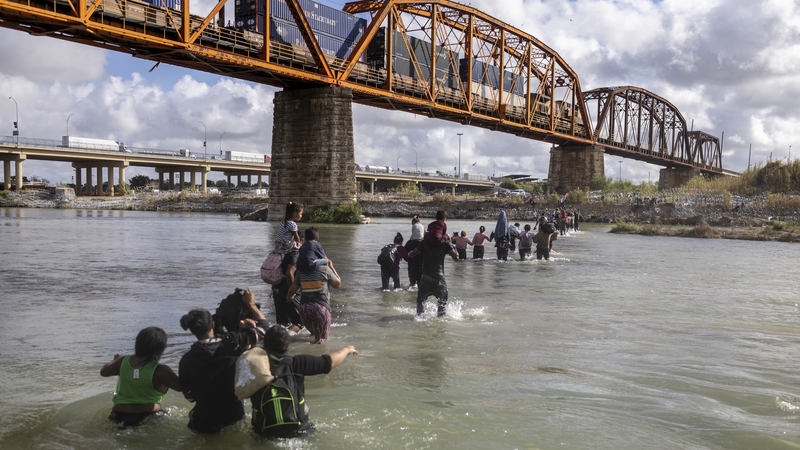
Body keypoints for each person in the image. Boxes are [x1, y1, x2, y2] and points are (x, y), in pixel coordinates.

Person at [178, 289, 267, 433]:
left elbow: (188, 395)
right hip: (234, 417)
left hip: (203, 421)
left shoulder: (186, 360)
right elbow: (264, 328)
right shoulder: (233, 342)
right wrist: (251, 305)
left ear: (193, 331)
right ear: (213, 325)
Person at [252, 325, 358, 437]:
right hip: (298, 429)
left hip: (265, 433)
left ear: (264, 345)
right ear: (287, 345)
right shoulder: (297, 363)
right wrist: (347, 349)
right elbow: (329, 362)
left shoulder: (254, 367)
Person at [100, 327, 182, 427]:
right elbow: (182, 386)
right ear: (160, 349)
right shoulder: (161, 371)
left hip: (119, 415)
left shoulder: (122, 362)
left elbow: (103, 372)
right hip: (151, 417)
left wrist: (116, 360)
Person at [287, 228, 342, 344]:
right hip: (320, 309)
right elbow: (338, 284)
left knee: (313, 336)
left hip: (304, 310)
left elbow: (292, 290)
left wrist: (289, 297)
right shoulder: (324, 269)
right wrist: (331, 266)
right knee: (321, 342)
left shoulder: (301, 271)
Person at [407, 236, 459, 318]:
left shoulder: (424, 242)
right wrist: (452, 244)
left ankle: (420, 318)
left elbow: (411, 255)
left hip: (425, 277)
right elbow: (456, 258)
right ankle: (440, 321)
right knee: (442, 301)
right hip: (439, 278)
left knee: (421, 300)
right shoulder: (445, 244)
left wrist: (409, 252)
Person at [271, 248, 304, 334]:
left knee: (282, 324)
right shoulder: (295, 253)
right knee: (300, 323)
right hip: (288, 291)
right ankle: (283, 336)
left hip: (276, 289)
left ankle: (277, 339)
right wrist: (292, 292)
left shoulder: (278, 251)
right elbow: (289, 273)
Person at [405, 218, 424, 289]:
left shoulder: (409, 243)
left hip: (412, 266)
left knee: (412, 284)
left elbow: (405, 254)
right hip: (422, 266)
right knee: (421, 285)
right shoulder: (424, 243)